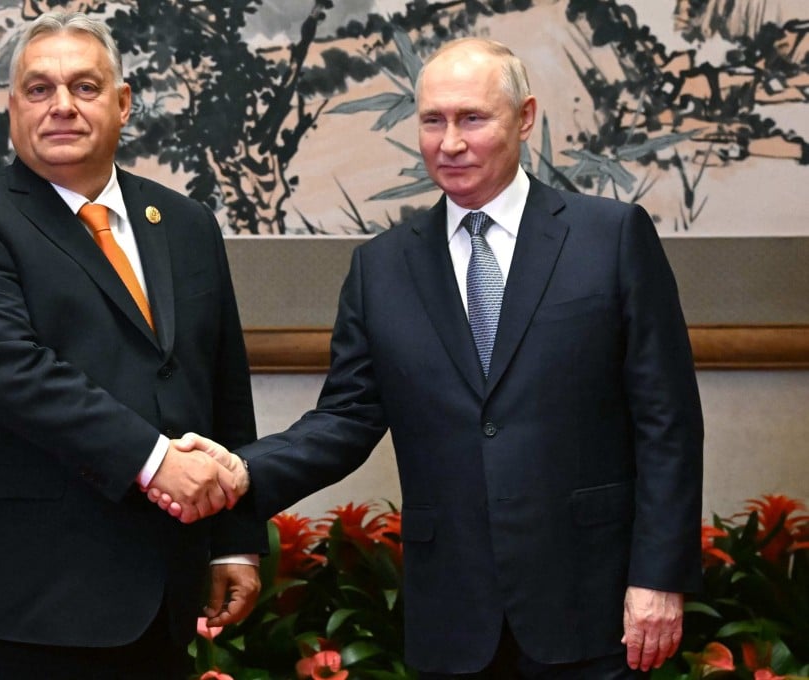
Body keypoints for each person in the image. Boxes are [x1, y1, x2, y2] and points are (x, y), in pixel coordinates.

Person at [158, 37, 704, 678]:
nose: (449, 143)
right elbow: (346, 419)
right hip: (453, 613)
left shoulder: (610, 238)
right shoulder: (381, 267)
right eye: (432, 121)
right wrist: (243, 469)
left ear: (524, 117)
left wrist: (658, 577)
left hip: (592, 601)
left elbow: (667, 421)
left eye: (472, 119)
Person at [0, 11, 263, 679]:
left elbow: (221, 384)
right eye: (39, 89)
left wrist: (232, 543)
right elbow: (15, 374)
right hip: (11, 609)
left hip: (157, 600)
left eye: (85, 87)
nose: (62, 106)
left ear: (123, 103)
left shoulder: (186, 224)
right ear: (13, 107)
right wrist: (157, 462)